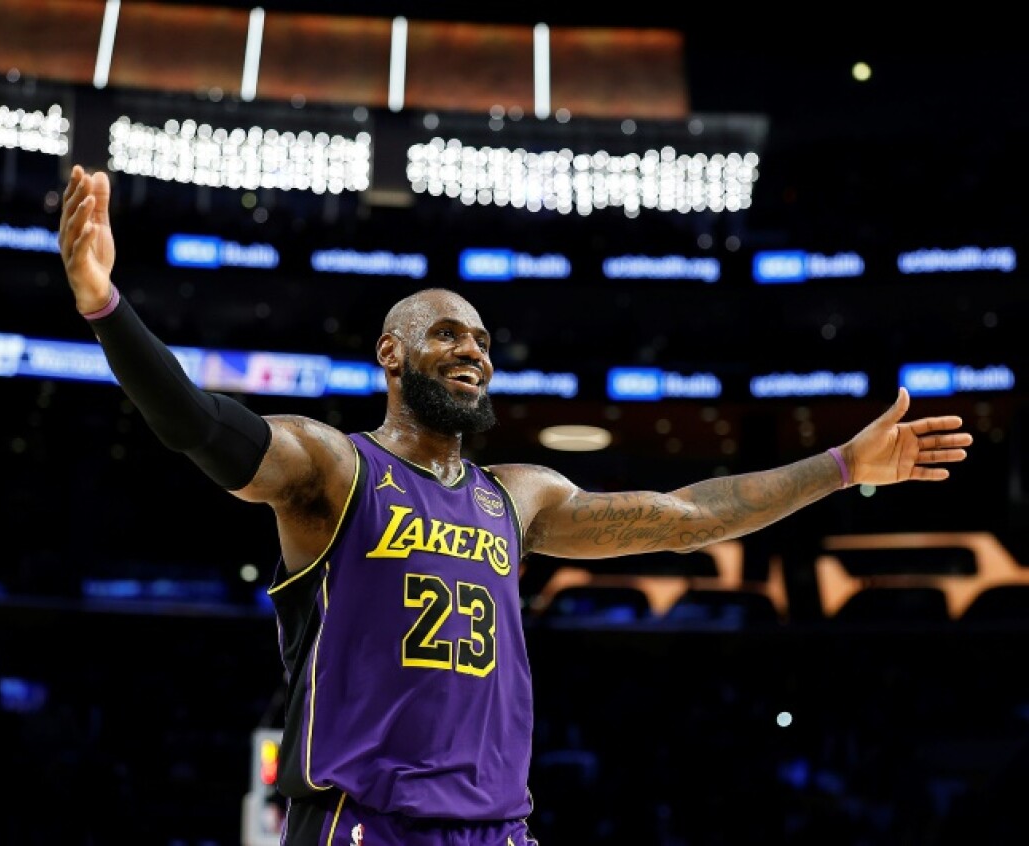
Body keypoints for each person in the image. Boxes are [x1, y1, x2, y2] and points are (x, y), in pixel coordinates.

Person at [57, 164, 972, 845]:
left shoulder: (519, 498)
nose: (473, 352)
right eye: (448, 334)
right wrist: (105, 304)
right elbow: (197, 425)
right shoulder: (333, 469)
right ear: (391, 353)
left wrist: (844, 465)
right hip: (364, 825)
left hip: (500, 829)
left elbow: (693, 515)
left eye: (483, 341)